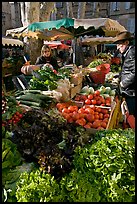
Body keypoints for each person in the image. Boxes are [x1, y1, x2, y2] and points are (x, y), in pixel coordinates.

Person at [113, 31, 135, 116]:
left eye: (119, 45)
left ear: (126, 42)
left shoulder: (132, 53)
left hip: (132, 92)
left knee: (132, 115)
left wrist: (123, 83)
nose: (118, 48)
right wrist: (118, 77)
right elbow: (127, 69)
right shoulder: (127, 53)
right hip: (129, 90)